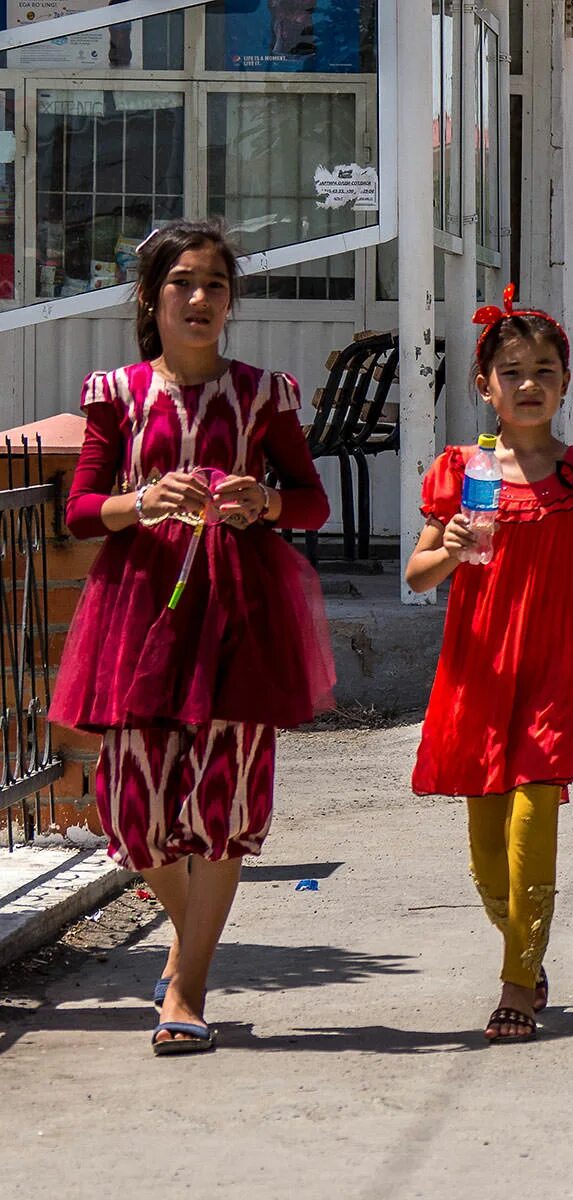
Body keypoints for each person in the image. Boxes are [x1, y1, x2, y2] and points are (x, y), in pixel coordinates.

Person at [50, 220, 335, 1055]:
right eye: (183, 282)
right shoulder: (118, 395)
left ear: (230, 301)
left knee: (223, 809)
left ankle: (187, 986)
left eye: (215, 283)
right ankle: (192, 941)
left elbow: (310, 499)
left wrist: (267, 504)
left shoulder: (261, 395)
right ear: (151, 298)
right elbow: (78, 512)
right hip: (138, 613)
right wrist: (143, 501)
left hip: (239, 615)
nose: (201, 297)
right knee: (130, 815)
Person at [405, 286, 573, 1045]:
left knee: (533, 821)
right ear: (485, 385)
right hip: (476, 673)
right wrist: (456, 545)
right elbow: (417, 576)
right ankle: (524, 952)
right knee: (486, 852)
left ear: (567, 382)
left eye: (544, 369)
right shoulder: (461, 470)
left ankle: (514, 985)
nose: (528, 383)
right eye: (511, 371)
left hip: (551, 672)